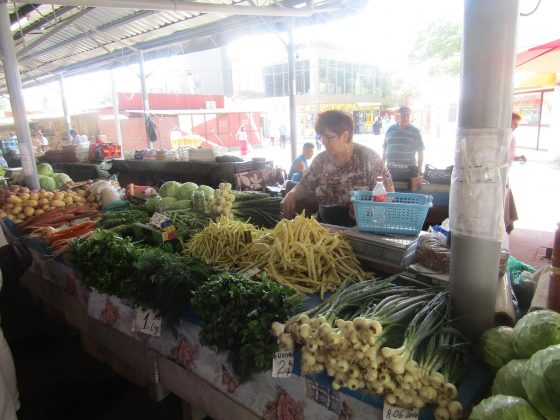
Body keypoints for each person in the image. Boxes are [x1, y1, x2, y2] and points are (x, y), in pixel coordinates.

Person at [282, 110, 394, 227]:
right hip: (325, 228)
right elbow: (305, 184)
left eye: (329, 138)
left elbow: (390, 195)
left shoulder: (369, 159)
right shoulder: (321, 160)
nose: (324, 142)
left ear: (345, 136)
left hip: (359, 229)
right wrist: (292, 194)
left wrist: (367, 209)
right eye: (322, 137)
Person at [383, 106, 424, 176]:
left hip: (409, 171)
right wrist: (382, 167)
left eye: (408, 116)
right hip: (390, 171)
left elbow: (420, 152)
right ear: (398, 116)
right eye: (403, 116)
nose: (405, 118)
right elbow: (384, 148)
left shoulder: (415, 131)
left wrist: (419, 172)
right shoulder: (390, 129)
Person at [504, 112, 527, 234]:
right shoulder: (503, 136)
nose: (516, 126)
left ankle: (507, 225)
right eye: (514, 123)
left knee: (505, 198)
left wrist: (519, 158)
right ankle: (507, 225)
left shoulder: (511, 137)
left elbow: (510, 156)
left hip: (505, 175)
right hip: (501, 175)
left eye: (517, 124)